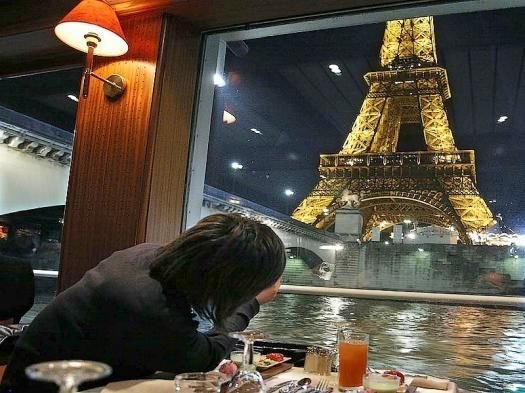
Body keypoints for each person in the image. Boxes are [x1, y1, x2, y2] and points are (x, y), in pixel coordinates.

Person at [0, 213, 285, 393]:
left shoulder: (147, 256)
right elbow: (204, 356)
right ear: (229, 279)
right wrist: (250, 302)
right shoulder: (144, 302)